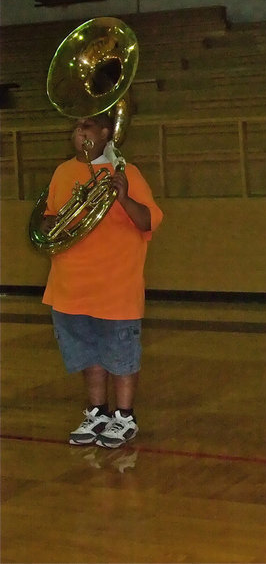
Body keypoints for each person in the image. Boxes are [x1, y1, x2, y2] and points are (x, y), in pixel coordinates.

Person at [41, 113, 163, 449]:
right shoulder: (63, 172)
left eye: (87, 127)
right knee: (87, 354)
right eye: (76, 128)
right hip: (70, 286)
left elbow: (149, 220)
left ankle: (125, 416)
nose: (79, 132)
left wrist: (124, 198)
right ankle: (98, 412)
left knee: (120, 353)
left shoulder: (126, 173)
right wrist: (48, 224)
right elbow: (51, 217)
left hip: (115, 286)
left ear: (105, 132)